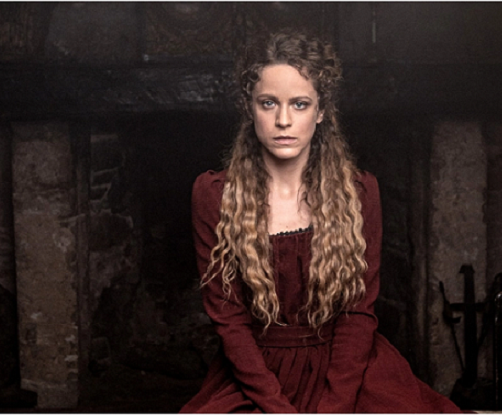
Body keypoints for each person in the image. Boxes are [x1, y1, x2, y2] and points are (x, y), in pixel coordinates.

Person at [180, 30, 462, 413]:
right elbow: (228, 320)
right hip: (257, 376)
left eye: (299, 104)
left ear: (321, 111)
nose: (283, 120)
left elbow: (358, 314)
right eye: (268, 103)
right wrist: (278, 408)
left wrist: (333, 407)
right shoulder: (214, 194)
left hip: (347, 372)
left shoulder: (359, 193)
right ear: (249, 107)